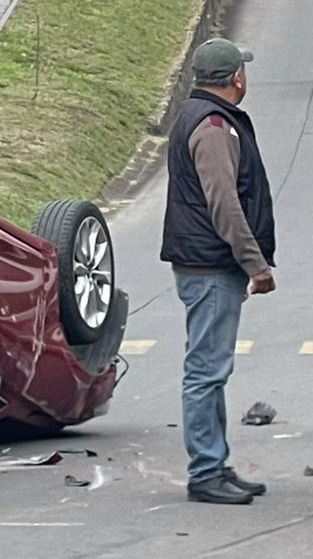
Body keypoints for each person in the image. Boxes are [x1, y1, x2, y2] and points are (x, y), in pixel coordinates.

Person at [160, 38, 276, 505]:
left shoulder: (203, 118)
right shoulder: (212, 127)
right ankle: (205, 472)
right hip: (210, 265)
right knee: (206, 372)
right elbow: (224, 205)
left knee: (211, 370)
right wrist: (256, 264)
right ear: (236, 79)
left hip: (205, 263)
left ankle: (216, 463)